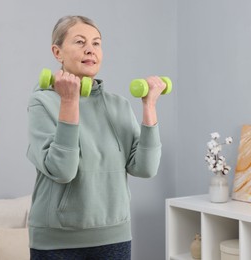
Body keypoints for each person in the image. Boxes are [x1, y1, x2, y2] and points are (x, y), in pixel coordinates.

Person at [26, 15, 165, 259]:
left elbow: (146, 168)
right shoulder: (42, 102)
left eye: (96, 43)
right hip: (56, 241)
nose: (90, 49)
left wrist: (149, 106)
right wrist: (69, 101)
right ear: (57, 52)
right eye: (80, 42)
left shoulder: (119, 105)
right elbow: (62, 170)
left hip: (114, 236)